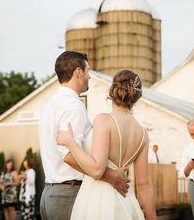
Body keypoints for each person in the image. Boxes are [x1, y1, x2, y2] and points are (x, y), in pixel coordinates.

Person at [39, 51, 129, 220]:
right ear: (78, 72)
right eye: (88, 71)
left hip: (51, 193)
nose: (90, 77)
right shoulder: (73, 105)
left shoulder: (50, 104)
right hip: (68, 194)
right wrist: (111, 176)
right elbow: (68, 155)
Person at [57, 69, 157, 220]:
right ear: (137, 97)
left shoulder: (104, 120)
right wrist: (152, 217)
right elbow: (144, 183)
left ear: (112, 91)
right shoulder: (142, 133)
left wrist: (70, 142)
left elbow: (97, 170)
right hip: (127, 202)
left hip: (97, 202)